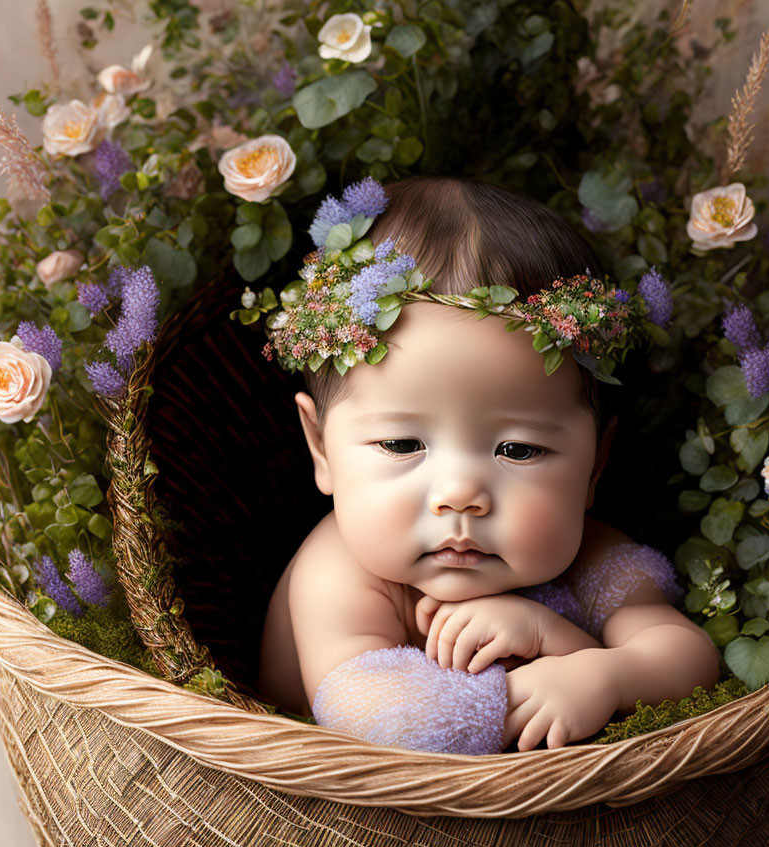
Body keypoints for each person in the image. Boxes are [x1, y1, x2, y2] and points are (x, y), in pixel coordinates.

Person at [254, 175, 720, 754]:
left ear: (594, 465)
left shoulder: (590, 555)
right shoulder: (338, 573)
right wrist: (562, 653)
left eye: (519, 450)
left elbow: (690, 657)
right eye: (402, 445)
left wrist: (597, 673)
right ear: (322, 449)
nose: (459, 493)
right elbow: (385, 723)